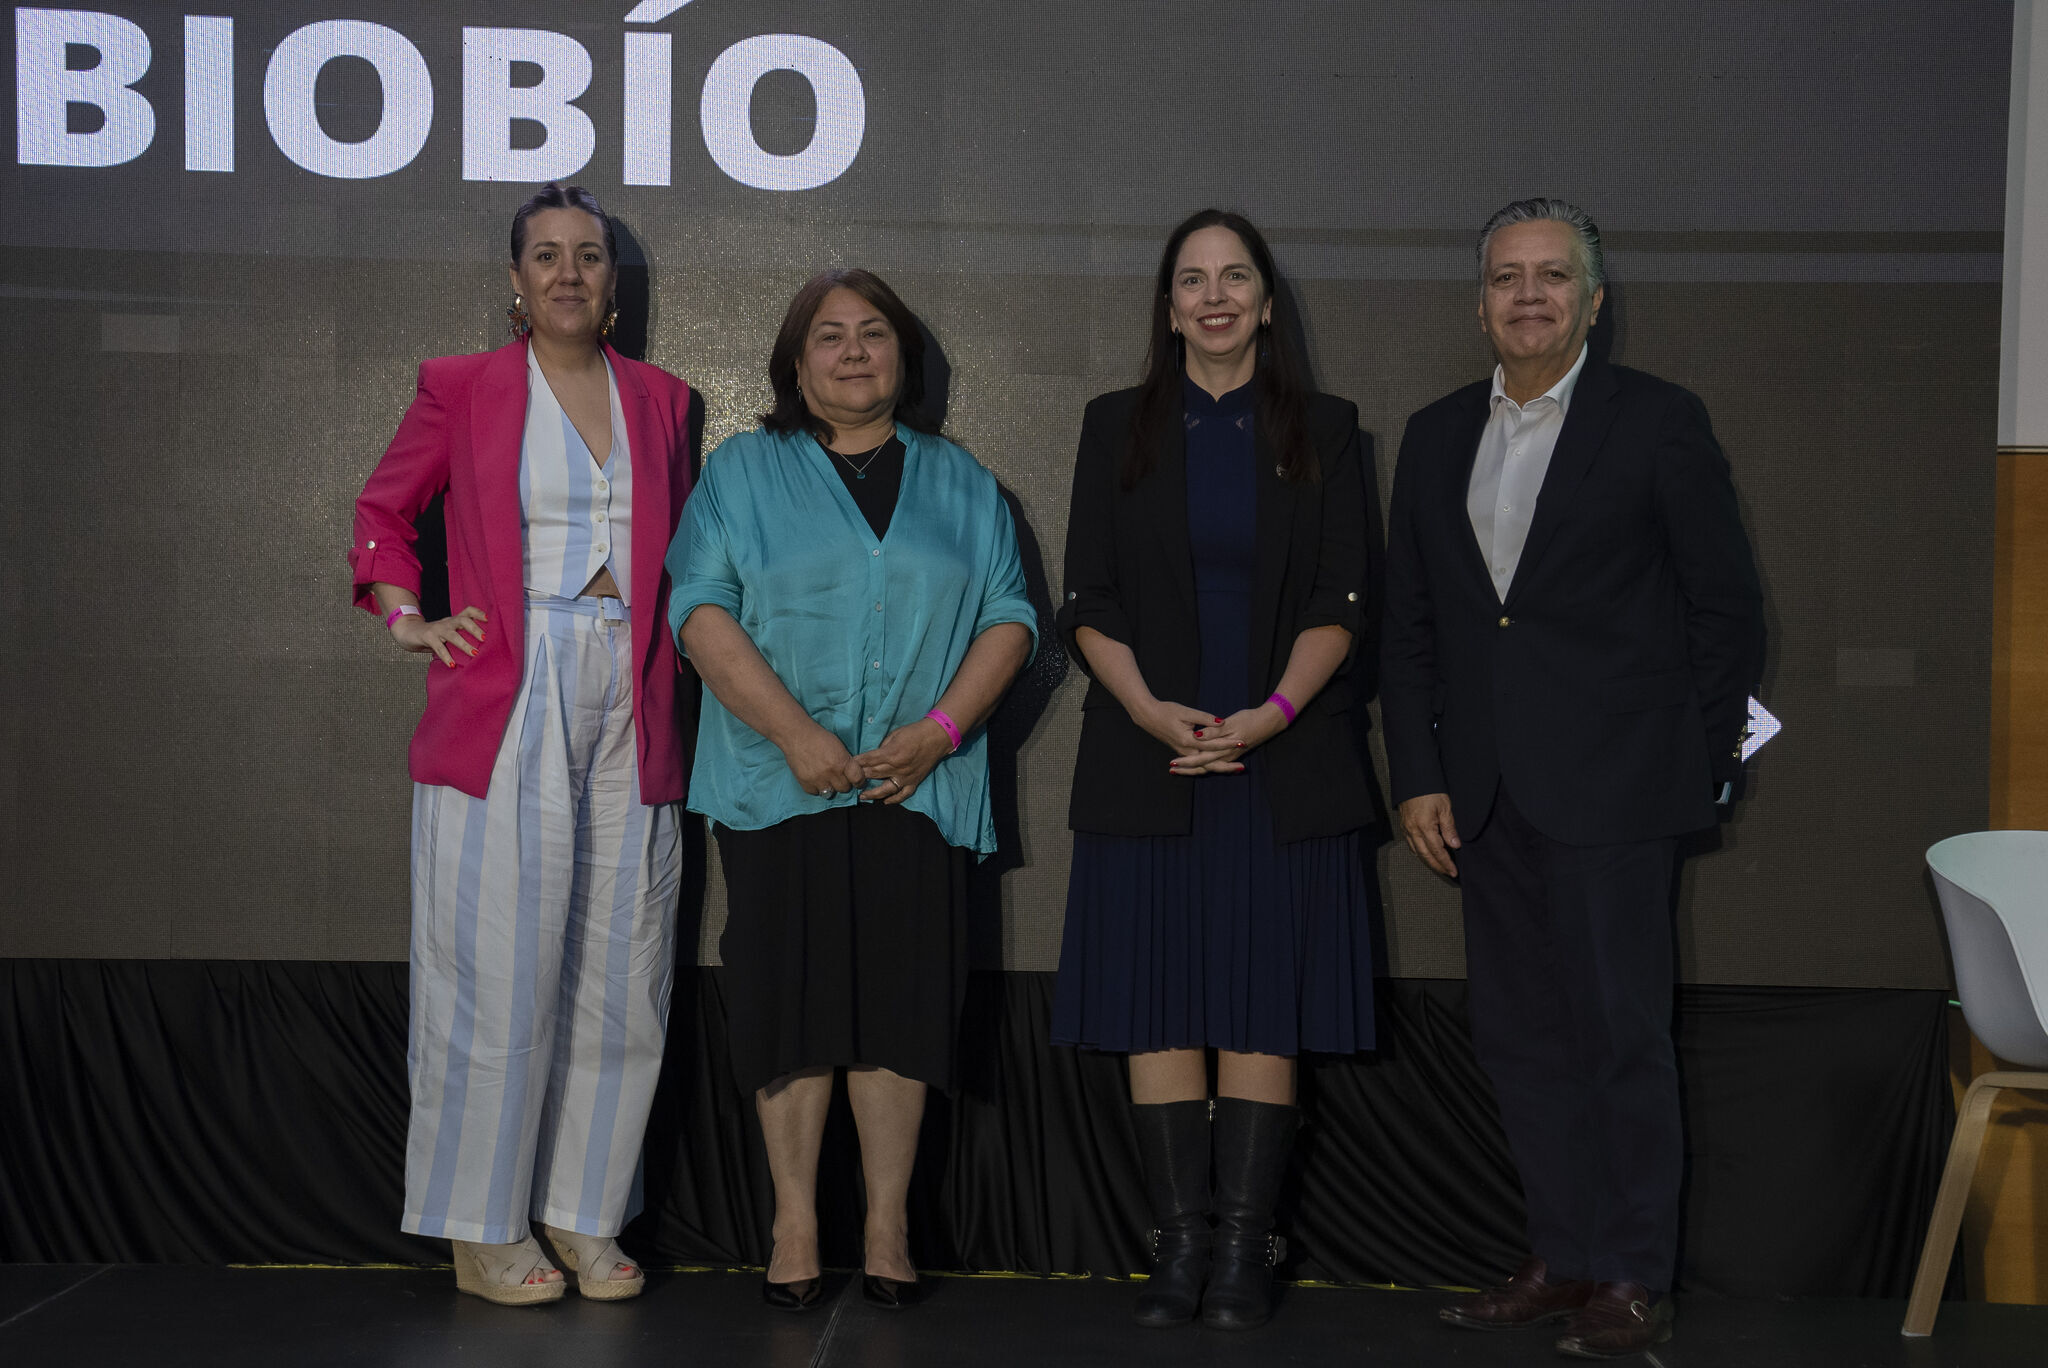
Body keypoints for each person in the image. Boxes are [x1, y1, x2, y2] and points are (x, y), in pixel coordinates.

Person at [1381, 197, 1765, 1358]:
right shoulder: (1434, 434)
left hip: (1620, 793)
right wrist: (1417, 774)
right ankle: (1563, 1255)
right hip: (1483, 797)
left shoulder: (1658, 422)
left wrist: (1697, 770)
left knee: (1618, 1036)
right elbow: (1411, 628)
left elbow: (1724, 614)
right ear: (1479, 304)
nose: (1528, 295)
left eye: (1551, 276)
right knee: (1519, 1041)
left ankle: (1632, 1273)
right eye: (1506, 277)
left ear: (1592, 302)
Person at [348, 183, 698, 1306]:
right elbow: (383, 513)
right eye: (545, 255)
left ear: (610, 279)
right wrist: (409, 617)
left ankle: (585, 1213)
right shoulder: (462, 386)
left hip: (633, 684)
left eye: (587, 255)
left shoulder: (665, 400)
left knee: (625, 963)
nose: (567, 273)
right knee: (493, 965)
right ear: (515, 278)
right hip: (511, 681)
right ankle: (480, 1226)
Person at [664, 268, 1036, 1312]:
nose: (854, 350)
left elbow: (1010, 616)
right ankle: (793, 1223)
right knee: (788, 1003)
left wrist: (939, 733)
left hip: (918, 789)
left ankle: (886, 1226)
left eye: (874, 332)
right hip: (776, 787)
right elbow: (697, 609)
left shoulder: (963, 482)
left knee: (901, 1007)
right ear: (796, 364)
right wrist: (794, 734)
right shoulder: (741, 472)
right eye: (829, 335)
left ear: (904, 358)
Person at [1051, 209, 1380, 1331]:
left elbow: (1344, 597)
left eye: (1234, 277)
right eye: (1191, 280)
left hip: (1281, 762)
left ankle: (1244, 1250)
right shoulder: (1115, 424)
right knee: (1156, 1003)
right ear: (1169, 307)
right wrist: (1151, 713)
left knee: (1258, 1005)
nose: (1214, 296)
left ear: (1267, 302)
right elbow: (1087, 595)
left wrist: (1269, 717)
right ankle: (1178, 1246)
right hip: (1149, 757)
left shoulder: (1326, 428)